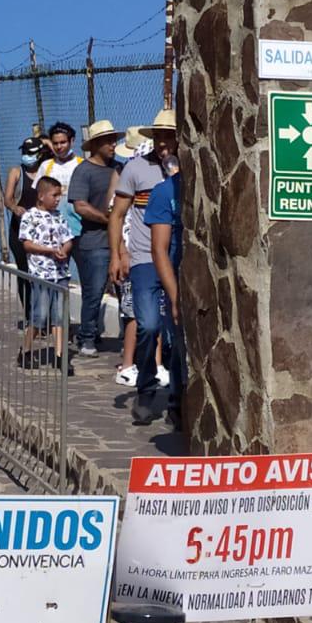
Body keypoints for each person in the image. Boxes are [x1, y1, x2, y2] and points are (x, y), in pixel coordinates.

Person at [110, 109, 178, 423]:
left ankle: (179, 396)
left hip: (179, 259)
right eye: (160, 135)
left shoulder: (186, 170)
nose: (164, 142)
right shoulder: (136, 168)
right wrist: (117, 252)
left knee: (178, 332)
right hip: (143, 259)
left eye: (170, 135)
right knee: (148, 325)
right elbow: (118, 214)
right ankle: (146, 388)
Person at [68, 121, 121, 358]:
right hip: (94, 241)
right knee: (95, 290)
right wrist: (107, 219)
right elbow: (80, 205)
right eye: (108, 140)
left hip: (121, 242)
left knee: (125, 290)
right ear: (96, 144)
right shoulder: (84, 171)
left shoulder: (120, 168)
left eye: (114, 140)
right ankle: (87, 336)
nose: (113, 145)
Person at [16, 176, 73, 371]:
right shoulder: (30, 216)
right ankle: (26, 350)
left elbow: (68, 238)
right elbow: (26, 244)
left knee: (59, 315)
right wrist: (48, 251)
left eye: (60, 195)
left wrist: (64, 249)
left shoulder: (59, 216)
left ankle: (59, 354)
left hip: (60, 273)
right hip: (41, 273)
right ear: (41, 196)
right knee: (39, 315)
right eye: (54, 195)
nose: (58, 199)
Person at [145, 167, 185, 423]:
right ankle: (177, 403)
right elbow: (159, 250)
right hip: (179, 280)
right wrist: (175, 297)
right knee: (180, 346)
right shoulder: (164, 191)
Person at [3, 136, 46, 316]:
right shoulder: (16, 172)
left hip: (42, 229)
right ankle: (30, 315)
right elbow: (8, 198)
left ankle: (45, 315)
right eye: (24, 152)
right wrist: (14, 207)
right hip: (19, 228)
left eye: (30, 152)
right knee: (24, 271)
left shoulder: (47, 170)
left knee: (43, 272)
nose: (26, 156)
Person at [38, 122, 84, 248]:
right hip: (53, 229)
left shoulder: (82, 165)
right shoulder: (46, 166)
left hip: (79, 228)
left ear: (72, 141)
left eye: (63, 142)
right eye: (55, 143)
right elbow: (38, 197)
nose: (59, 147)